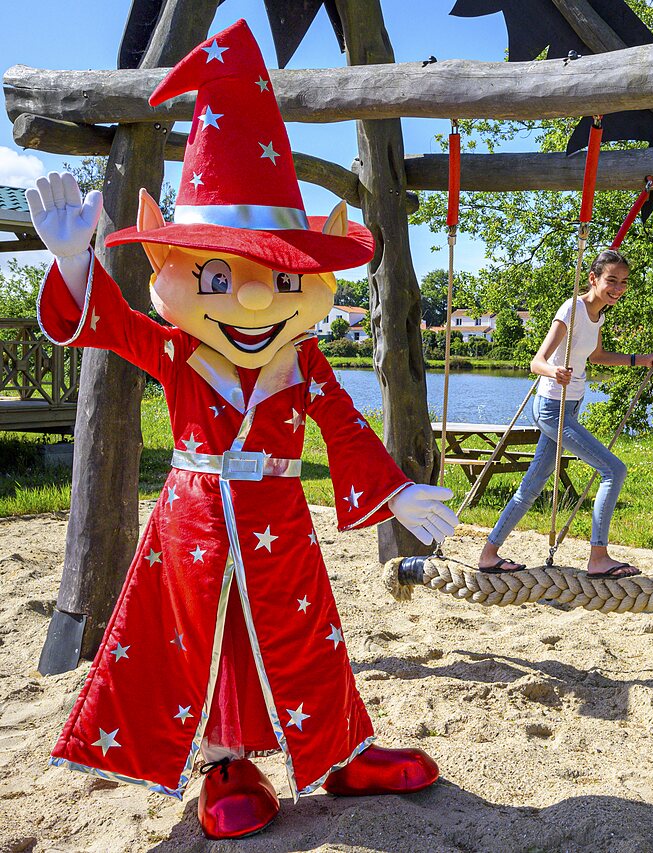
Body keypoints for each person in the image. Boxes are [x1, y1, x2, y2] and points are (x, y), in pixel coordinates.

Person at [30, 21, 459, 840]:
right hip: (195, 519)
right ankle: (227, 761)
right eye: (220, 277)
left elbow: (344, 426)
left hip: (280, 516)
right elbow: (111, 328)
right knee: (209, 636)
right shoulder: (179, 349)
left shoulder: (305, 362)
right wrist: (76, 265)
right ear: (173, 271)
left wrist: (397, 488)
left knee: (309, 623)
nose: (256, 303)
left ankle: (340, 747)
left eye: (280, 276)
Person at [477, 249, 653, 577]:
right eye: (611, 280)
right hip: (552, 408)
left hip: (571, 407)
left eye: (623, 282)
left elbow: (598, 355)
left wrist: (640, 359)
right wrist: (553, 373)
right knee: (613, 470)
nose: (618, 288)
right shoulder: (572, 309)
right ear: (593, 279)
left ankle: (489, 554)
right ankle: (598, 557)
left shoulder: (599, 315)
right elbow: (536, 361)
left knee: (532, 485)